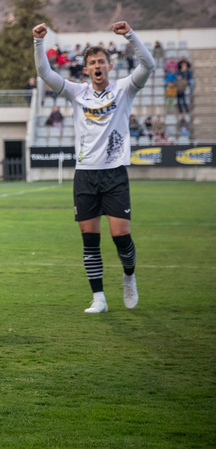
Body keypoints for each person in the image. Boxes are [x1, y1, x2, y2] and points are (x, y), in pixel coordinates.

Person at [33, 21, 153, 313]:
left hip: (114, 174)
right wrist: (38, 42)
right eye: (92, 62)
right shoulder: (77, 92)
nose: (97, 65)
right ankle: (98, 298)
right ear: (85, 69)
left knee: (121, 237)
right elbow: (44, 72)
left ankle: (129, 276)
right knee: (90, 240)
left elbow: (148, 64)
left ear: (109, 67)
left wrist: (129, 35)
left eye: (101, 61)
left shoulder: (124, 89)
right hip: (85, 175)